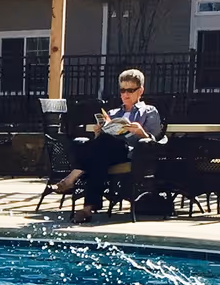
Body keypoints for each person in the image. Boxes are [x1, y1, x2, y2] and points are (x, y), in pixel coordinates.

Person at [53, 69, 166, 220]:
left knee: (101, 148)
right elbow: (102, 139)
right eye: (123, 90)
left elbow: (155, 139)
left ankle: (72, 178)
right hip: (108, 152)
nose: (126, 94)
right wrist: (98, 132)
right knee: (93, 151)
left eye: (130, 90)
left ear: (141, 91)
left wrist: (141, 132)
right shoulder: (113, 113)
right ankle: (88, 209)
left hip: (132, 153)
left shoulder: (149, 111)